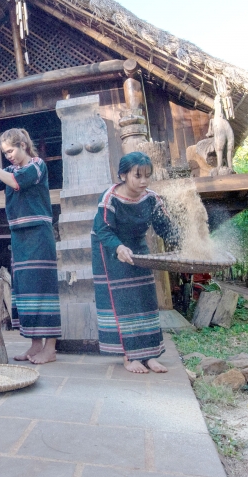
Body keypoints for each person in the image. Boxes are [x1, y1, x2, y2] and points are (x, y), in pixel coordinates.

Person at [0, 128, 61, 364]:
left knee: (43, 289)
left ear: (23, 144)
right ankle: (34, 346)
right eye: (5, 153)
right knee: (24, 290)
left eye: (11, 150)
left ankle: (50, 348)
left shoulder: (37, 165)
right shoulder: (10, 170)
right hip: (19, 236)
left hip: (38, 235)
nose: (9, 156)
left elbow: (13, 183)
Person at [91, 151, 177, 374]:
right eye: (138, 176)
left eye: (147, 175)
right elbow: (102, 229)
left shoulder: (152, 198)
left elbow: (165, 228)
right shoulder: (110, 198)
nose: (144, 181)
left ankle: (150, 355)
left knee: (145, 296)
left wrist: (187, 242)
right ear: (123, 175)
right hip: (110, 246)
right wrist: (118, 247)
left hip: (137, 245)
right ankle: (129, 356)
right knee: (123, 299)